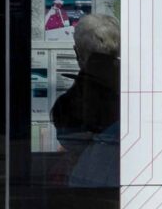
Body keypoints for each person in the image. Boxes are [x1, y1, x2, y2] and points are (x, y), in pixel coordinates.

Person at [51, 11, 121, 188]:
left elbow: (67, 132)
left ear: (77, 53)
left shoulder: (73, 102)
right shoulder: (132, 84)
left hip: (92, 185)